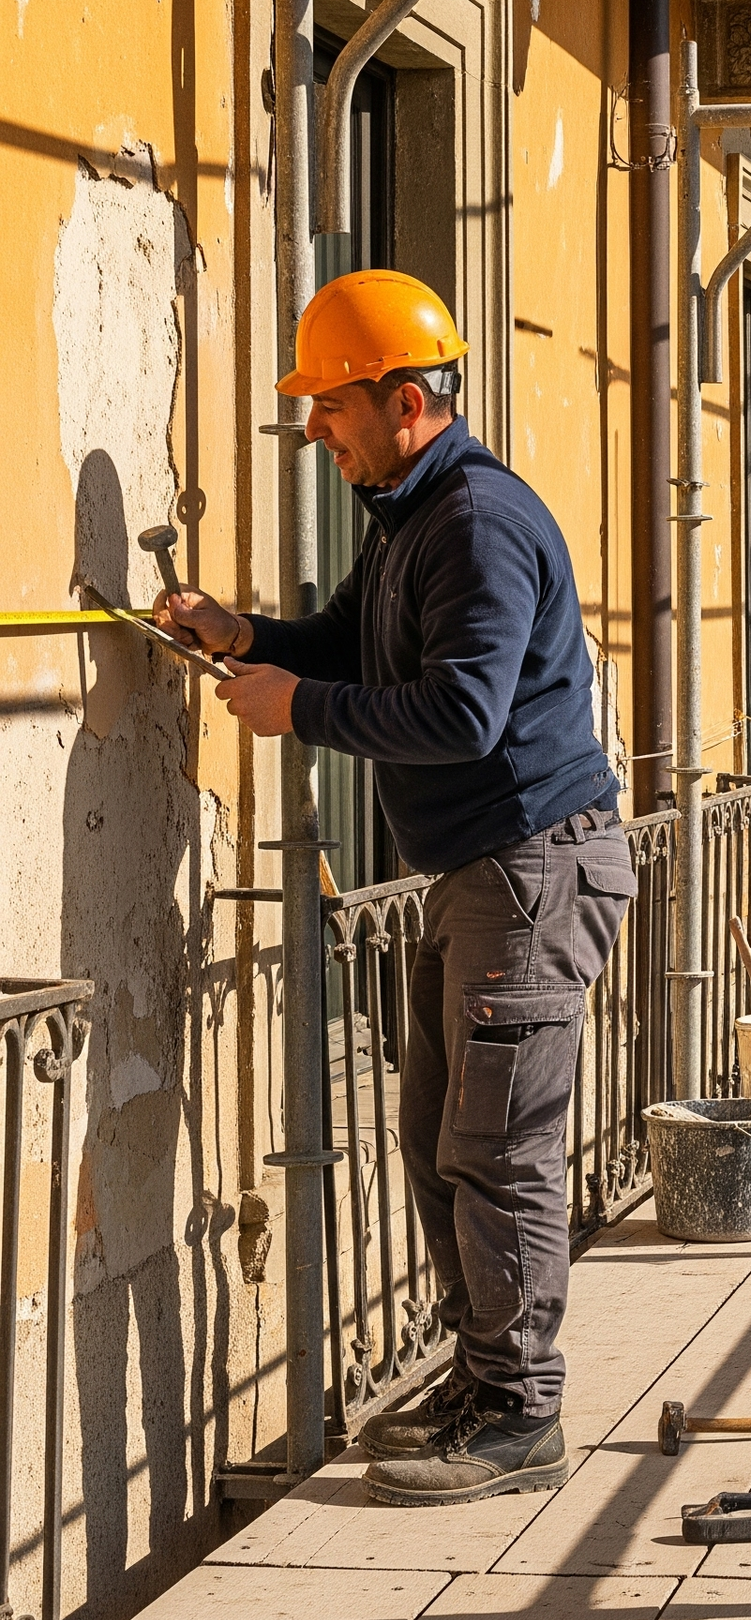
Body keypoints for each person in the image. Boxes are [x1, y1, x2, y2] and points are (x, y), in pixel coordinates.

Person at [155, 270, 634, 1506]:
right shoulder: (410, 516)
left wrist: (300, 710)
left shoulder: (473, 521)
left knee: (497, 1146)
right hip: (486, 872)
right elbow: (348, 646)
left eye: (332, 405)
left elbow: (465, 713)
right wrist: (245, 634)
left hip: (529, 865)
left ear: (405, 400)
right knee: (435, 1137)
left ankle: (521, 1410)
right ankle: (486, 1377)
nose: (316, 427)